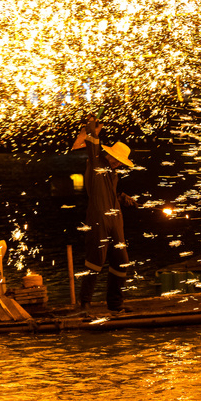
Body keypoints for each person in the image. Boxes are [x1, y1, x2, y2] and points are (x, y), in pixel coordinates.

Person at [70, 115, 137, 312]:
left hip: (115, 218)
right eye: (115, 159)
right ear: (108, 154)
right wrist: (91, 124)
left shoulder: (113, 174)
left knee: (122, 260)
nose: (117, 163)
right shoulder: (96, 162)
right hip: (98, 217)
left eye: (120, 161)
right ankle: (85, 302)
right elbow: (91, 143)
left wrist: (121, 197)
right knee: (95, 259)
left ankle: (115, 304)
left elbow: (107, 193)